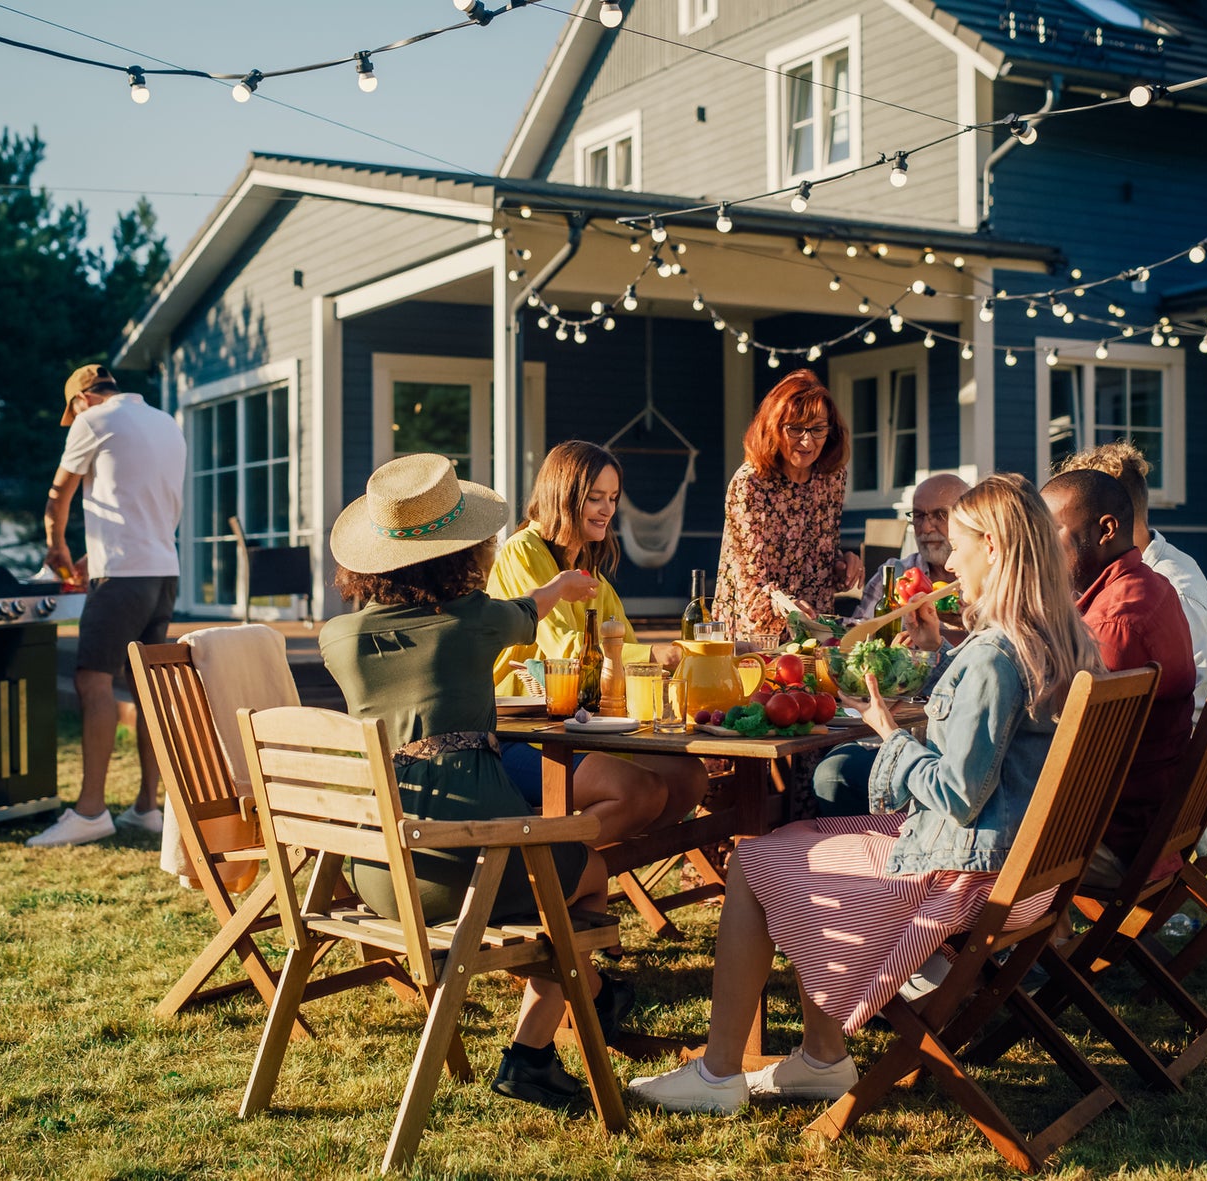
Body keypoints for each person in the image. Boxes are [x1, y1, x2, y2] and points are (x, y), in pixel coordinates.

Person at [626, 473, 1104, 1113]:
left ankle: (718, 1076)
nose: (950, 560)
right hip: (1028, 876)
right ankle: (821, 1058)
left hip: (964, 877)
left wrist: (889, 734)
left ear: (992, 548)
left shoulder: (995, 655)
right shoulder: (1062, 639)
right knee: (800, 844)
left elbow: (959, 794)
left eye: (959, 545)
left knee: (754, 861)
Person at [318, 452, 628, 1110]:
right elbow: (531, 607)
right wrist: (565, 590)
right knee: (588, 872)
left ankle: (599, 994)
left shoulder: (338, 638)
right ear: (464, 556)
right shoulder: (474, 621)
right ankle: (533, 1050)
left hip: (379, 871)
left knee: (548, 880)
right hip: (471, 863)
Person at [486, 441, 709, 837]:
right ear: (564, 496)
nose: (607, 509)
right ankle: (555, 875)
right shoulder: (522, 551)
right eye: (595, 498)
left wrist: (703, 664)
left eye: (613, 498)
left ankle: (593, 862)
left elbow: (633, 666)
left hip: (578, 726)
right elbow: (567, 650)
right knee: (641, 789)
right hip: (517, 734)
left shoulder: (591, 575)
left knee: (689, 777)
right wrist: (660, 653)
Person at [1057, 442, 1207, 856]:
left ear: (1105, 522)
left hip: (1178, 807)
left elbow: (1195, 713)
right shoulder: (1155, 573)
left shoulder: (1165, 592)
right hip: (1163, 798)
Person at [28, 364, 186, 848]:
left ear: (81, 400)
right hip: (163, 574)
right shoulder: (165, 423)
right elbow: (140, 506)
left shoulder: (91, 422)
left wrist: (55, 546)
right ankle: (147, 807)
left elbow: (60, 495)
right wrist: (87, 557)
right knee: (147, 691)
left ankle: (91, 811)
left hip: (121, 579)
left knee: (92, 681)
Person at [1039, 468, 1195, 886]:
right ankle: (1044, 943)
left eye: (1051, 532)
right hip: (1149, 827)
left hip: (1110, 842)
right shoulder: (1152, 585)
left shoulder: (1114, 623)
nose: (1040, 551)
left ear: (1106, 529)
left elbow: (1069, 753)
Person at [711, 370, 849, 639]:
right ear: (774, 427)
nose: (808, 441)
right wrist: (786, 605)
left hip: (814, 629)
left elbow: (820, 557)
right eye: (796, 429)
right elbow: (751, 579)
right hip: (755, 633)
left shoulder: (832, 478)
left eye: (818, 429)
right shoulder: (750, 483)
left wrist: (843, 564)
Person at [852, 472, 970, 622]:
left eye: (940, 515)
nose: (926, 528)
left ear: (967, 517)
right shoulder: (893, 575)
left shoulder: (988, 578)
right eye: (918, 515)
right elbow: (859, 632)